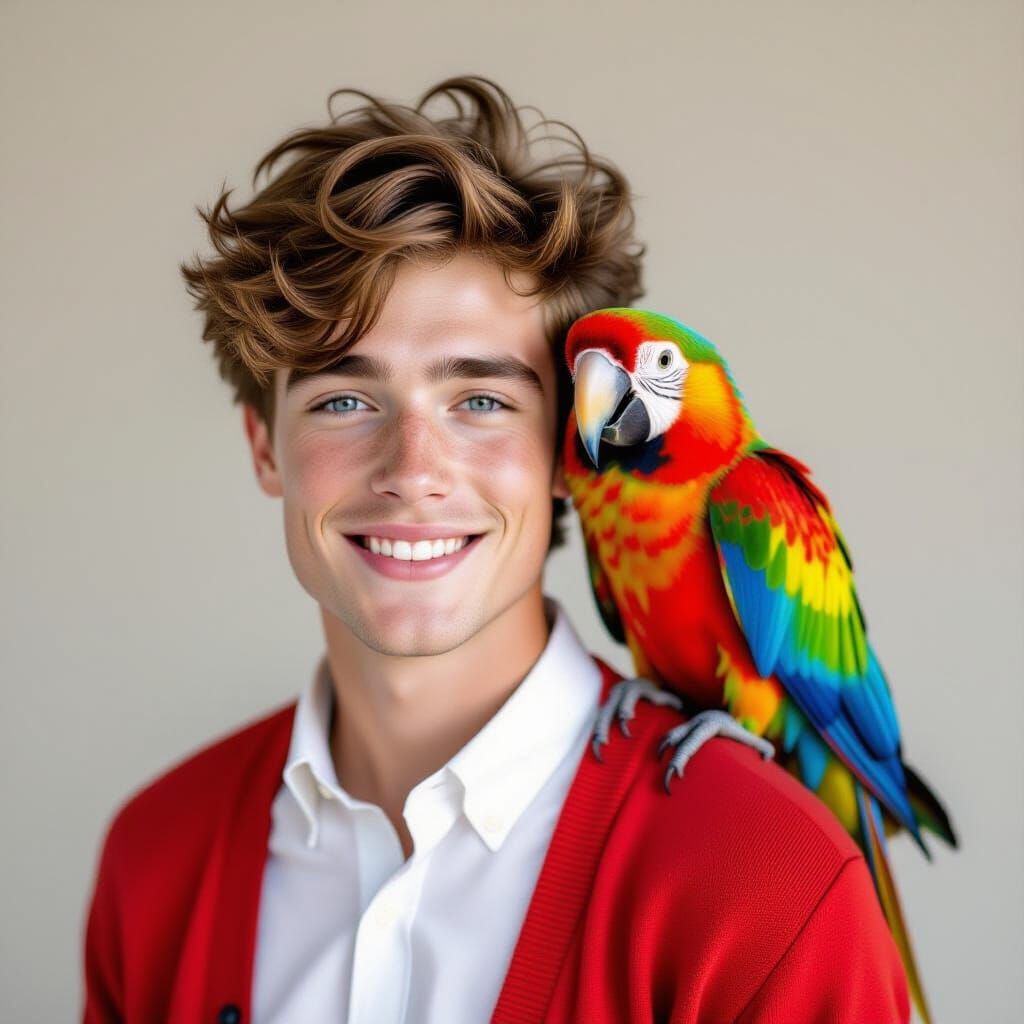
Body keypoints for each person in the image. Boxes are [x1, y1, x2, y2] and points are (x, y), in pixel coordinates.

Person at [81, 76, 910, 1023]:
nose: (414, 469)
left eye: (481, 401)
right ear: (266, 446)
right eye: (345, 400)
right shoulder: (153, 858)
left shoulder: (775, 879)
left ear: (569, 450)